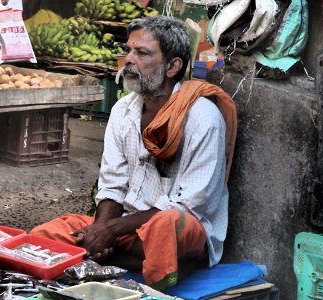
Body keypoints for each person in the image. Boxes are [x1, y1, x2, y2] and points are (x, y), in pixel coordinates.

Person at [31, 15, 237, 291]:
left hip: (174, 229)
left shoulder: (203, 119)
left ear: (172, 66)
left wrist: (112, 231)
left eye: (142, 53)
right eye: (128, 50)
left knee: (167, 226)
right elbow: (112, 184)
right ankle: (122, 258)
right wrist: (100, 233)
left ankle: (141, 263)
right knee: (48, 234)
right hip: (127, 227)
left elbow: (189, 205)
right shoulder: (123, 110)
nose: (129, 59)